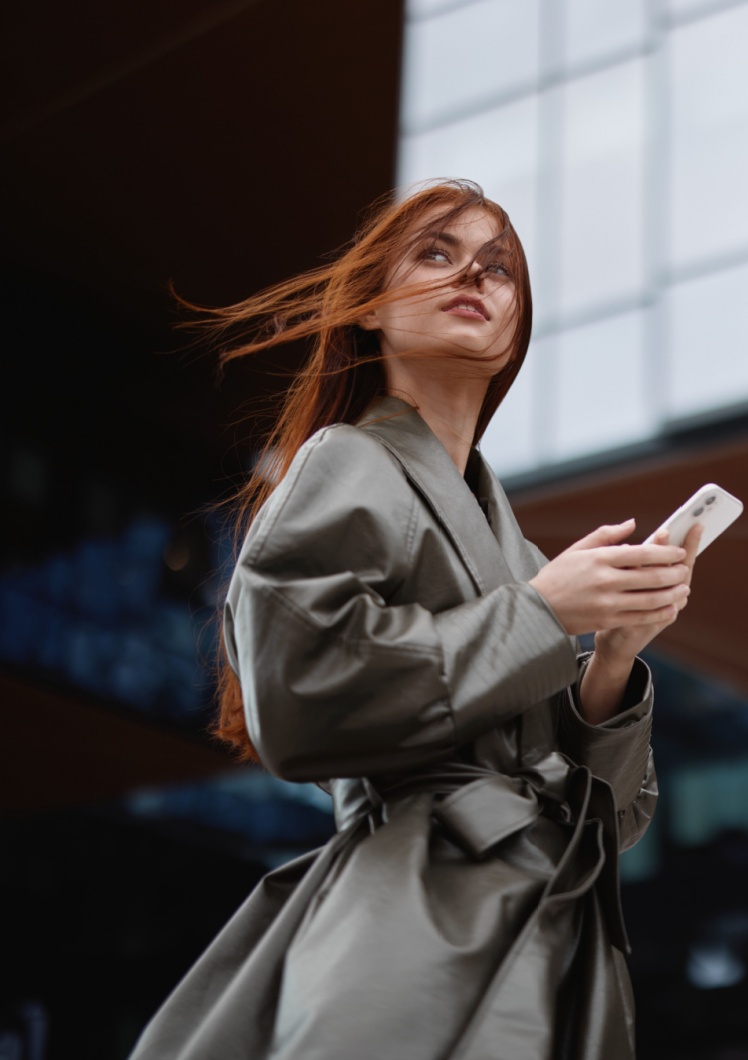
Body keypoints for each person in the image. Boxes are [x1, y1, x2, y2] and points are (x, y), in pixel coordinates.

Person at [128, 179, 700, 1059]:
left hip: (551, 932)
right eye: (437, 252)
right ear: (370, 310)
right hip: (413, 915)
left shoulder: (515, 549)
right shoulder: (347, 459)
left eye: (500, 267)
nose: (475, 272)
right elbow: (303, 697)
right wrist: (546, 613)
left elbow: (612, 822)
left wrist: (614, 657)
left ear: (516, 329)